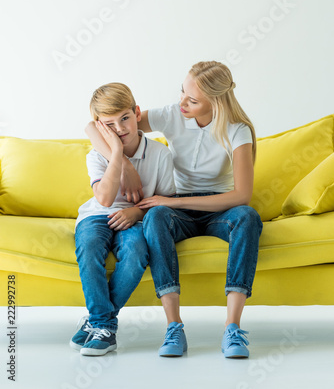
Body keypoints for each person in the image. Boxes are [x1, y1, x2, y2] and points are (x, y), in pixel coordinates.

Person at [86, 61, 263, 359]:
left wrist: (174, 201)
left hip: (217, 209)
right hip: (175, 212)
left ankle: (232, 328)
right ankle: (174, 326)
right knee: (155, 216)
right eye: (182, 92)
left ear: (215, 101)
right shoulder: (172, 115)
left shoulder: (237, 130)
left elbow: (242, 195)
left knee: (248, 217)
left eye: (192, 100)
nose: (182, 102)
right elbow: (94, 126)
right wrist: (126, 165)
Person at [70, 82, 175, 356]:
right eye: (110, 124)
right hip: (96, 217)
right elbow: (103, 200)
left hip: (137, 218)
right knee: (90, 247)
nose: (120, 128)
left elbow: (165, 203)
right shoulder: (96, 156)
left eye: (125, 118)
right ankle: (104, 325)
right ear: (101, 127)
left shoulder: (160, 154)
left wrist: (136, 211)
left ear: (137, 113)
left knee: (137, 252)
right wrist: (118, 155)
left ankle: (97, 322)